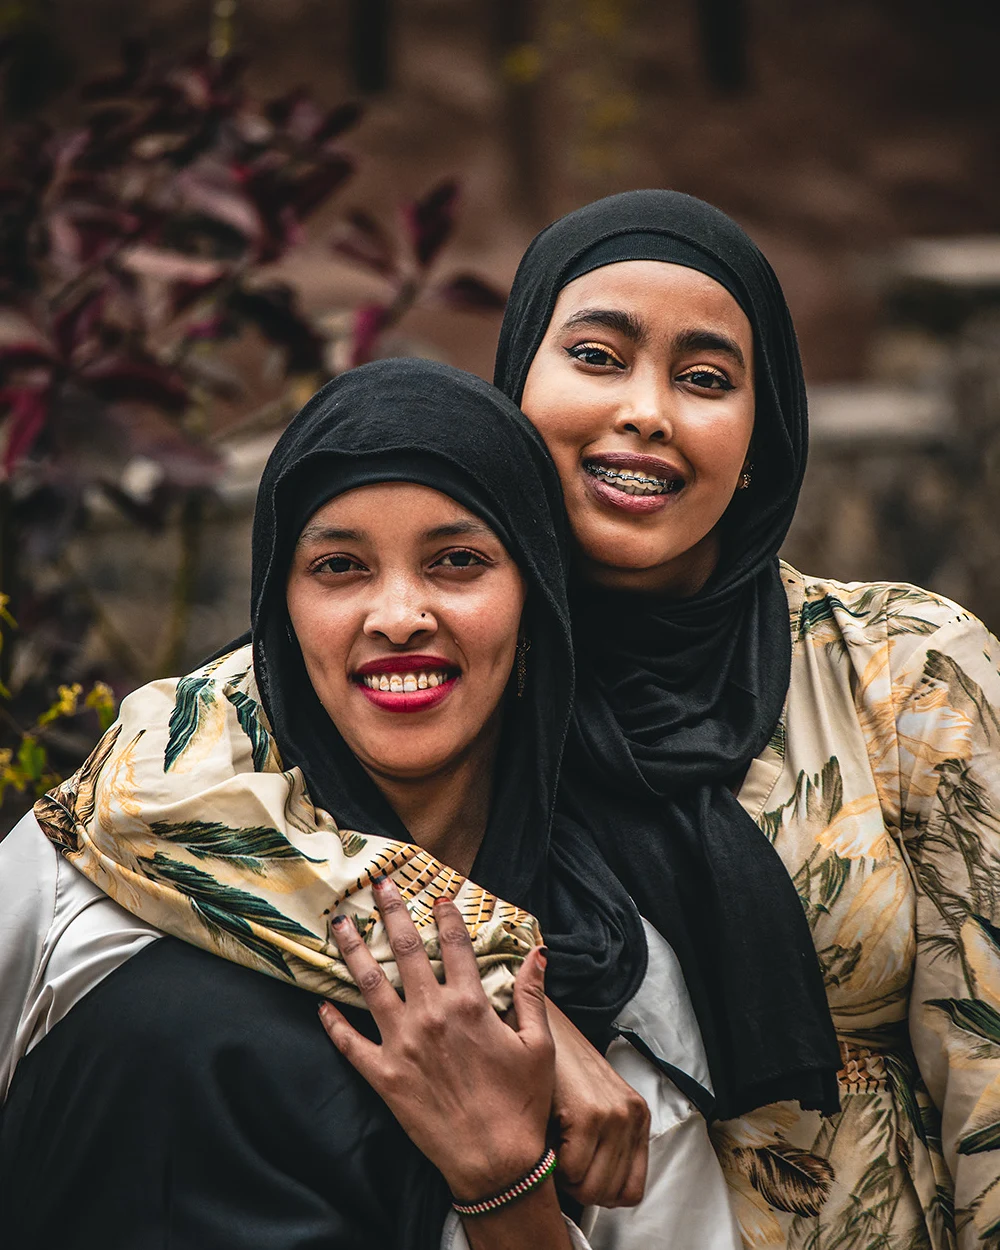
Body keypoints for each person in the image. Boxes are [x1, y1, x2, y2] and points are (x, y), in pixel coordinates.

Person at [0, 359, 715, 1250]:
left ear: (538, 602)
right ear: (281, 612)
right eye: (339, 566)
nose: (400, 614)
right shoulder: (87, 876)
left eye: (458, 561)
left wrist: (504, 1185)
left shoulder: (622, 995)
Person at [492, 187, 1000, 1249]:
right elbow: (142, 802)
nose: (647, 410)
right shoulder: (442, 653)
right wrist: (510, 997)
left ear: (762, 435)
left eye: (705, 379)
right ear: (513, 388)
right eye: (595, 355)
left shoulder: (901, 672)